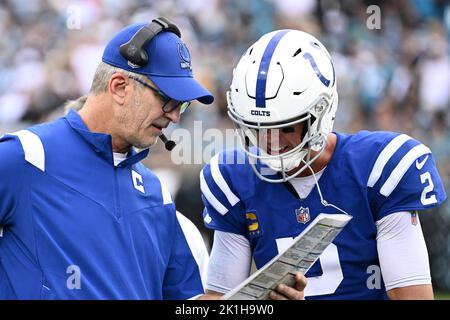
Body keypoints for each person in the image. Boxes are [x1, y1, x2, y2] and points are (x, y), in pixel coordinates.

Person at [199, 29, 446, 300]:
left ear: (321, 113)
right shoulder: (233, 180)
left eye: (287, 127)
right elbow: (219, 299)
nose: (271, 141)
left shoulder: (381, 167)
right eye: (258, 128)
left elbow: (412, 297)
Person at [0, 18, 212, 299]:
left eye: (181, 105)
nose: (174, 115)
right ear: (120, 86)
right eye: (168, 99)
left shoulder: (157, 194)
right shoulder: (27, 158)